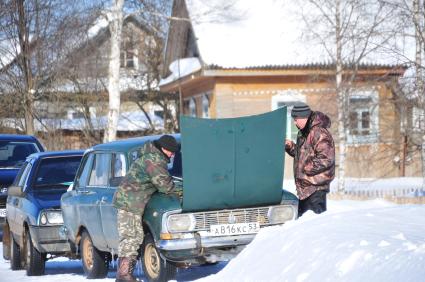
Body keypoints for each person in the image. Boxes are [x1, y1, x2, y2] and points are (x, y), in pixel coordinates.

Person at [112, 135, 180, 282]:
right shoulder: (153, 160)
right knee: (131, 238)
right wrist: (178, 193)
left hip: (132, 202)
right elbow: (164, 185)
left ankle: (124, 275)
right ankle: (123, 275)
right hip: (129, 203)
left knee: (133, 237)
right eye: (170, 151)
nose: (172, 154)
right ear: (162, 148)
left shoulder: (153, 156)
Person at [284, 102, 335, 217]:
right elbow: (303, 155)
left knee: (315, 228)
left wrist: (307, 168)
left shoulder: (319, 132)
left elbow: (327, 158)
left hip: (315, 189)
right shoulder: (304, 133)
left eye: (296, 119)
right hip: (305, 190)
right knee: (304, 226)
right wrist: (290, 146)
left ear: (304, 117)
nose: (294, 122)